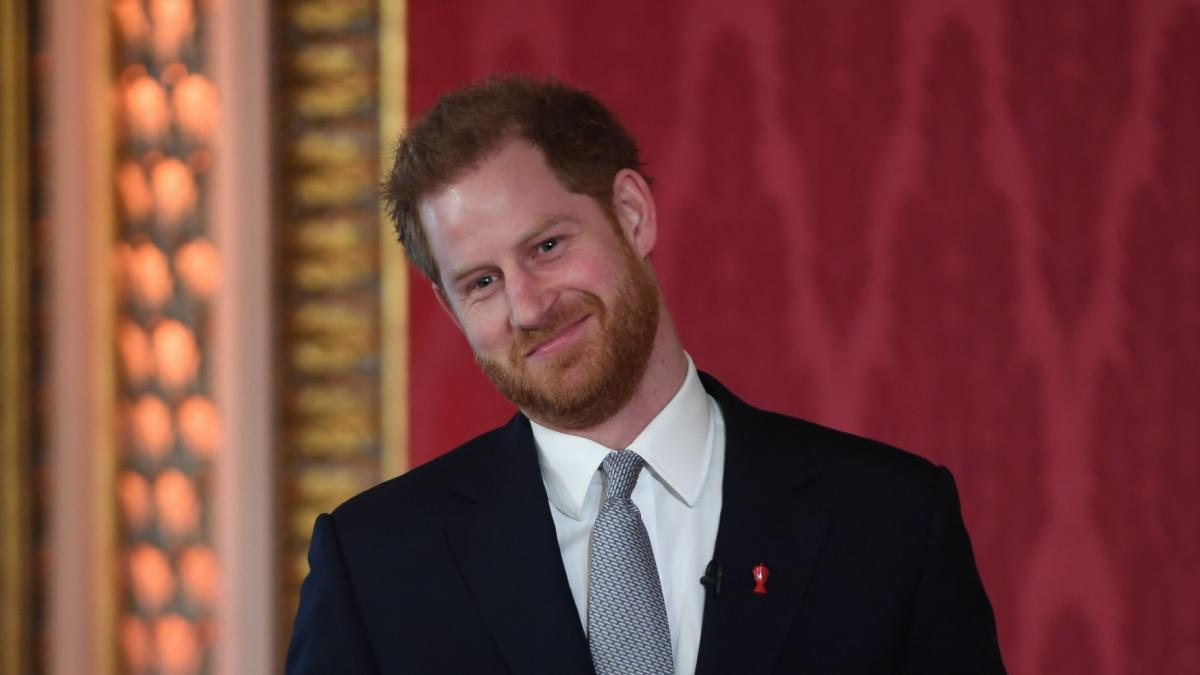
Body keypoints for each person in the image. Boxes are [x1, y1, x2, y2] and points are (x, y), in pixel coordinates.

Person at [286, 76, 1006, 674]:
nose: (527, 306)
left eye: (546, 245)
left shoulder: (891, 523)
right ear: (449, 306)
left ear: (631, 215)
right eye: (481, 282)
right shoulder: (377, 567)